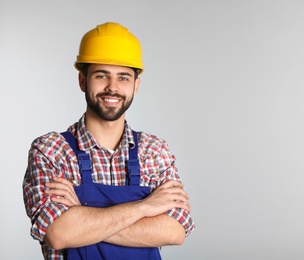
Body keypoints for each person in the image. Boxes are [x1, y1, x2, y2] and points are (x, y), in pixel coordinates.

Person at [22, 22, 195, 260]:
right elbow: (58, 233)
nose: (112, 88)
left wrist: (82, 217)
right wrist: (145, 208)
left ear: (136, 85)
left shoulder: (155, 151)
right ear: (83, 80)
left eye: (123, 77)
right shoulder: (51, 150)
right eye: (101, 75)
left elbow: (175, 230)